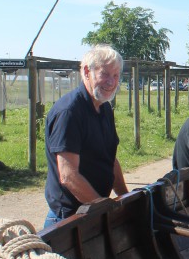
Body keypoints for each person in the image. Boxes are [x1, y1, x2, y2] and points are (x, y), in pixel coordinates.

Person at [43, 45, 128, 229]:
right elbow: (68, 175)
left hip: (93, 210)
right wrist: (104, 208)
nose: (111, 82)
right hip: (69, 218)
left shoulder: (104, 107)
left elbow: (109, 159)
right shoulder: (70, 112)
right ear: (87, 71)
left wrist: (126, 199)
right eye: (105, 74)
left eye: (116, 75)